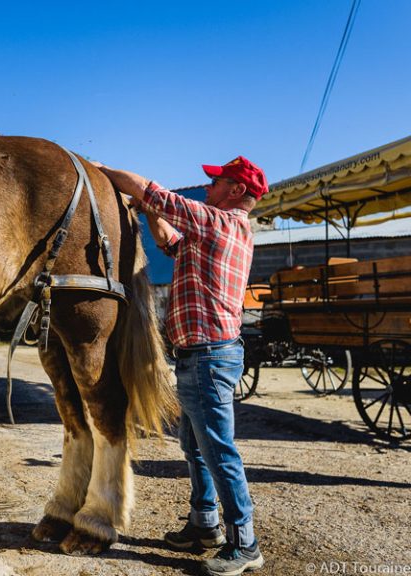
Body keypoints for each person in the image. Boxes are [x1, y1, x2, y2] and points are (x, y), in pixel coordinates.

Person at [95, 156, 268, 576]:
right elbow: (172, 241)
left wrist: (98, 170)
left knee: (218, 450)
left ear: (236, 191)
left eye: (216, 182)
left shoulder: (221, 222)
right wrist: (152, 214)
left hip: (209, 356)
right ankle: (204, 525)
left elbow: (148, 188)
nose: (208, 188)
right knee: (196, 446)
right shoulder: (212, 232)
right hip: (203, 355)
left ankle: (245, 543)